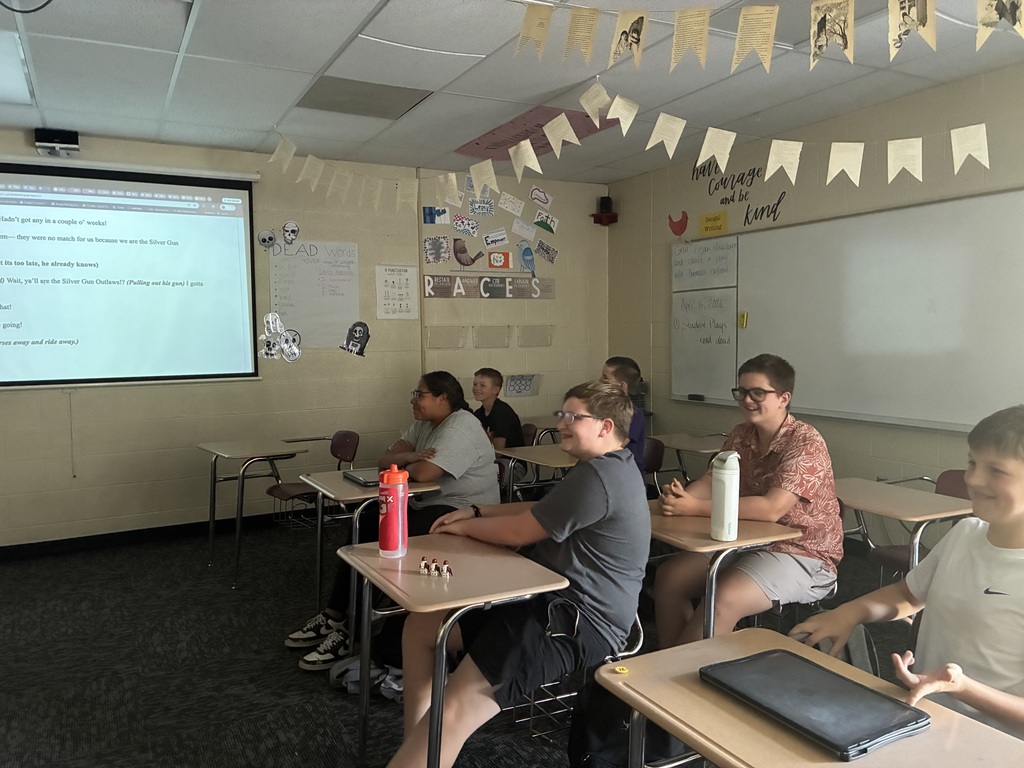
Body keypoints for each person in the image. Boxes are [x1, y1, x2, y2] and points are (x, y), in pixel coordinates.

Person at [385, 380, 650, 768]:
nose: (561, 423)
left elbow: (521, 532)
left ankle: (429, 743)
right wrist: (476, 511)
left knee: (456, 708)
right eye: (562, 414)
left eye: (572, 416)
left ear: (605, 426)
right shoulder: (604, 466)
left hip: (576, 621)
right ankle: (422, 745)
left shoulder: (600, 477)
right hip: (544, 597)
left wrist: (465, 527)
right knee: (423, 626)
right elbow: (539, 510)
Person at [790, 405, 1024, 740]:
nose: (973, 479)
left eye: (996, 470)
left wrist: (964, 688)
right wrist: (849, 613)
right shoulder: (964, 533)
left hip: (993, 744)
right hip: (924, 717)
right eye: (972, 463)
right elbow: (907, 594)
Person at [285, 371, 499, 670]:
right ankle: (336, 615)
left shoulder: (461, 426)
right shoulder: (424, 424)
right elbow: (384, 460)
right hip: (426, 503)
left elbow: (425, 474)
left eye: (420, 394)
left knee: (393, 540)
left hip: (463, 512)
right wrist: (412, 456)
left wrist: (409, 461)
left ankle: (355, 630)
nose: (413, 400)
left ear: (443, 397)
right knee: (367, 521)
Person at [653, 353, 843, 647]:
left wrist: (694, 508)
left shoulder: (806, 441)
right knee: (670, 579)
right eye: (741, 392)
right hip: (747, 539)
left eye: (758, 393)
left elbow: (771, 508)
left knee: (723, 598)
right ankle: (668, 662)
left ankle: (679, 673)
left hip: (802, 552)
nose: (746, 400)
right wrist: (682, 498)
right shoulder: (741, 434)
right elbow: (712, 481)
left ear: (783, 398)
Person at [602, 356, 645, 474]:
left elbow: (618, 445)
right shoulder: (605, 410)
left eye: (605, 378)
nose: (600, 381)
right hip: (607, 468)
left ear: (622, 386)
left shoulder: (633, 414)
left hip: (625, 473)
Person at [471, 367, 525, 449]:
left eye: (482, 385)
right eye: (475, 384)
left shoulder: (503, 413)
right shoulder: (479, 413)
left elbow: (499, 450)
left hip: (509, 456)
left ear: (496, 390)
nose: (476, 388)